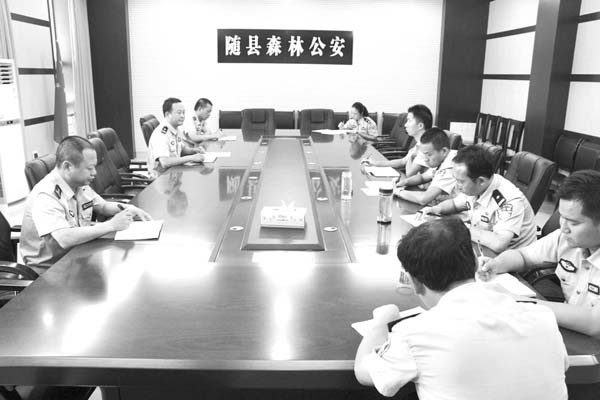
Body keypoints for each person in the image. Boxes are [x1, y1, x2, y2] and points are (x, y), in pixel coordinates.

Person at [354, 217, 568, 400]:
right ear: (476, 263)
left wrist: (382, 321)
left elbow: (363, 372)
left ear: (415, 283)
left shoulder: (415, 333)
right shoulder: (543, 318)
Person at [479, 170, 600, 337]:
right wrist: (496, 264)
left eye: (573, 223)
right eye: (562, 217)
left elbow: (594, 322)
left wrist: (522, 303)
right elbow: (524, 256)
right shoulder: (565, 238)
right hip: (569, 331)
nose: (563, 228)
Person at [20, 136, 151, 272]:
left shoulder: (78, 184)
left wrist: (127, 208)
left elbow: (102, 206)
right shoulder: (46, 195)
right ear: (67, 167)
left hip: (78, 255)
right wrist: (111, 225)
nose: (95, 173)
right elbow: (64, 238)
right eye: (89, 168)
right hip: (50, 269)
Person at [420, 145, 536, 252]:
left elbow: (499, 243)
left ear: (481, 181)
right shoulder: (475, 186)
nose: (456, 186)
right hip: (483, 247)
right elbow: (455, 204)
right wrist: (436, 209)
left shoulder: (509, 200)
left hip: (511, 259)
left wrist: (463, 228)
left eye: (460, 181)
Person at [361, 104, 432, 177]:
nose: (405, 125)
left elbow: (409, 173)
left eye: (409, 121)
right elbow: (402, 161)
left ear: (420, 126)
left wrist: (411, 158)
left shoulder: (426, 148)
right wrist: (375, 163)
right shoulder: (419, 144)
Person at [394, 127, 457, 205]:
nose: (425, 159)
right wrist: (404, 182)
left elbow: (423, 199)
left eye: (429, 155)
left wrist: (397, 191)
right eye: (424, 154)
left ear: (444, 151)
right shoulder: (442, 158)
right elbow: (422, 177)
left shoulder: (451, 166)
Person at [147, 97, 206, 178]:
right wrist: (192, 158)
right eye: (179, 113)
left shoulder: (176, 129)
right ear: (167, 114)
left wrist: (195, 150)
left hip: (174, 174)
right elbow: (165, 162)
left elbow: (182, 149)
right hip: (161, 178)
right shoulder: (161, 134)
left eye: (183, 112)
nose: (182, 116)